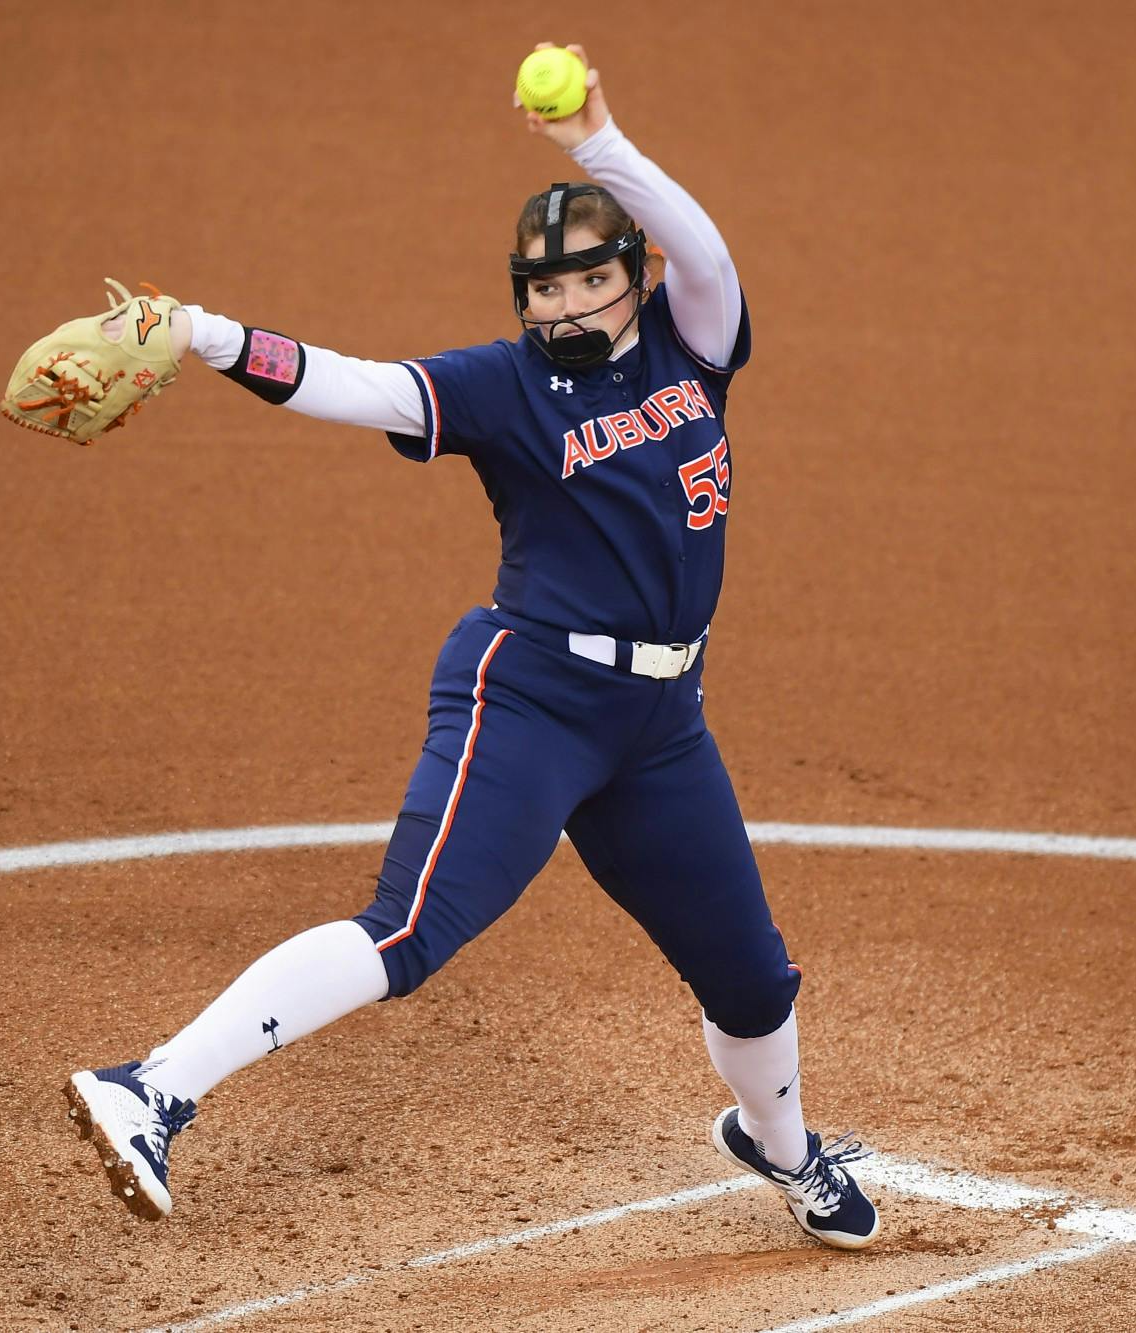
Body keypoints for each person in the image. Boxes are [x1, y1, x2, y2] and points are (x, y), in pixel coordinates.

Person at [64, 42, 879, 1251]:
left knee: (752, 979)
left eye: (588, 280)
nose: (564, 305)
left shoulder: (689, 341)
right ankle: (150, 1088)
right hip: (531, 697)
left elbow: (704, 252)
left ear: (633, 277)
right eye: (542, 289)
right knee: (409, 927)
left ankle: (782, 1146)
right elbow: (354, 386)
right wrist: (200, 332)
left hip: (660, 726)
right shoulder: (504, 388)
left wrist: (595, 143)